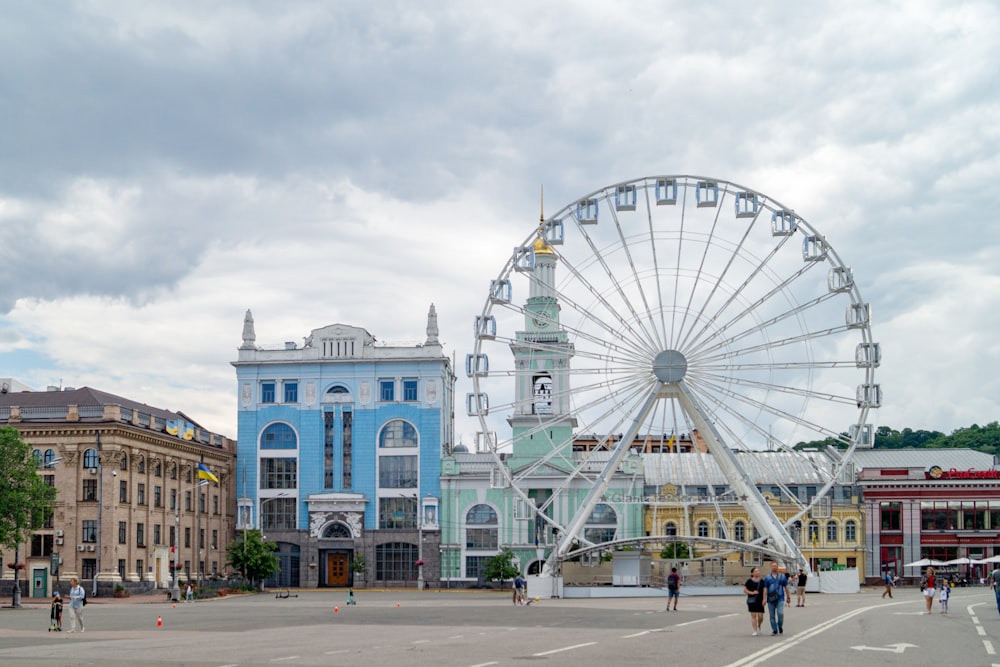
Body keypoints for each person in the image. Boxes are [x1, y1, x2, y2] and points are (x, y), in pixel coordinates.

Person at [763, 561, 790, 636]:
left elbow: (786, 587)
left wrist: (788, 596)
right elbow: (765, 588)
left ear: (777, 567)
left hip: (780, 598)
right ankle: (774, 630)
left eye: (775, 566)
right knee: (772, 615)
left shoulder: (782, 576)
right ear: (770, 567)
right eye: (773, 566)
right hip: (770, 599)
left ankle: (780, 625)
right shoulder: (767, 577)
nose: (774, 567)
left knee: (780, 613)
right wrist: (764, 598)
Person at [743, 567, 765, 636]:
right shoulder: (749, 581)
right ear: (752, 573)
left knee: (760, 616)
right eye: (756, 571)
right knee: (753, 615)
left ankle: (759, 625)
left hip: (760, 600)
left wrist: (764, 599)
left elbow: (765, 590)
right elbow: (745, 590)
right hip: (752, 600)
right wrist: (752, 593)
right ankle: (754, 630)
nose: (757, 572)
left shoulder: (762, 581)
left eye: (758, 571)